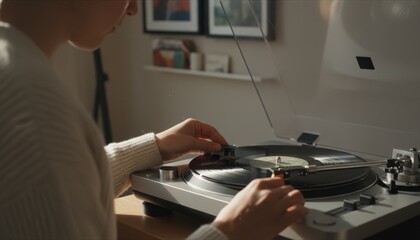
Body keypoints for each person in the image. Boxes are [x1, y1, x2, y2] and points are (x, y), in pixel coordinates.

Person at [0, 0, 308, 240]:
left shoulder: (13, 74)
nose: (133, 8)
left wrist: (156, 147)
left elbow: (60, 182)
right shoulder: (37, 109)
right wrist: (230, 231)